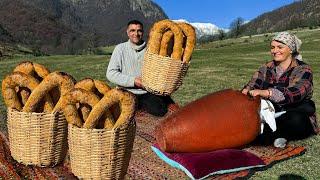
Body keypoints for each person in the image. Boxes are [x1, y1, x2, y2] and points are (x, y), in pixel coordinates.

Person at [241, 31, 318, 145]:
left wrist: (268, 93)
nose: (275, 51)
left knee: (297, 120)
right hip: (271, 112)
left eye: (280, 47)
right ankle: (271, 135)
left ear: (290, 49)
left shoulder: (303, 69)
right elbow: (253, 84)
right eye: (272, 47)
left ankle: (266, 136)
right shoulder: (265, 68)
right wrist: (246, 91)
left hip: (294, 111)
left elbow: (297, 92)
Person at [106, 20, 175, 117]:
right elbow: (111, 73)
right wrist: (134, 81)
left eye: (139, 31)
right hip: (126, 91)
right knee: (125, 115)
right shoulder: (120, 49)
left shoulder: (151, 49)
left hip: (147, 92)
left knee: (161, 111)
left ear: (143, 32)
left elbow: (160, 70)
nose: (136, 34)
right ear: (127, 32)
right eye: (132, 30)